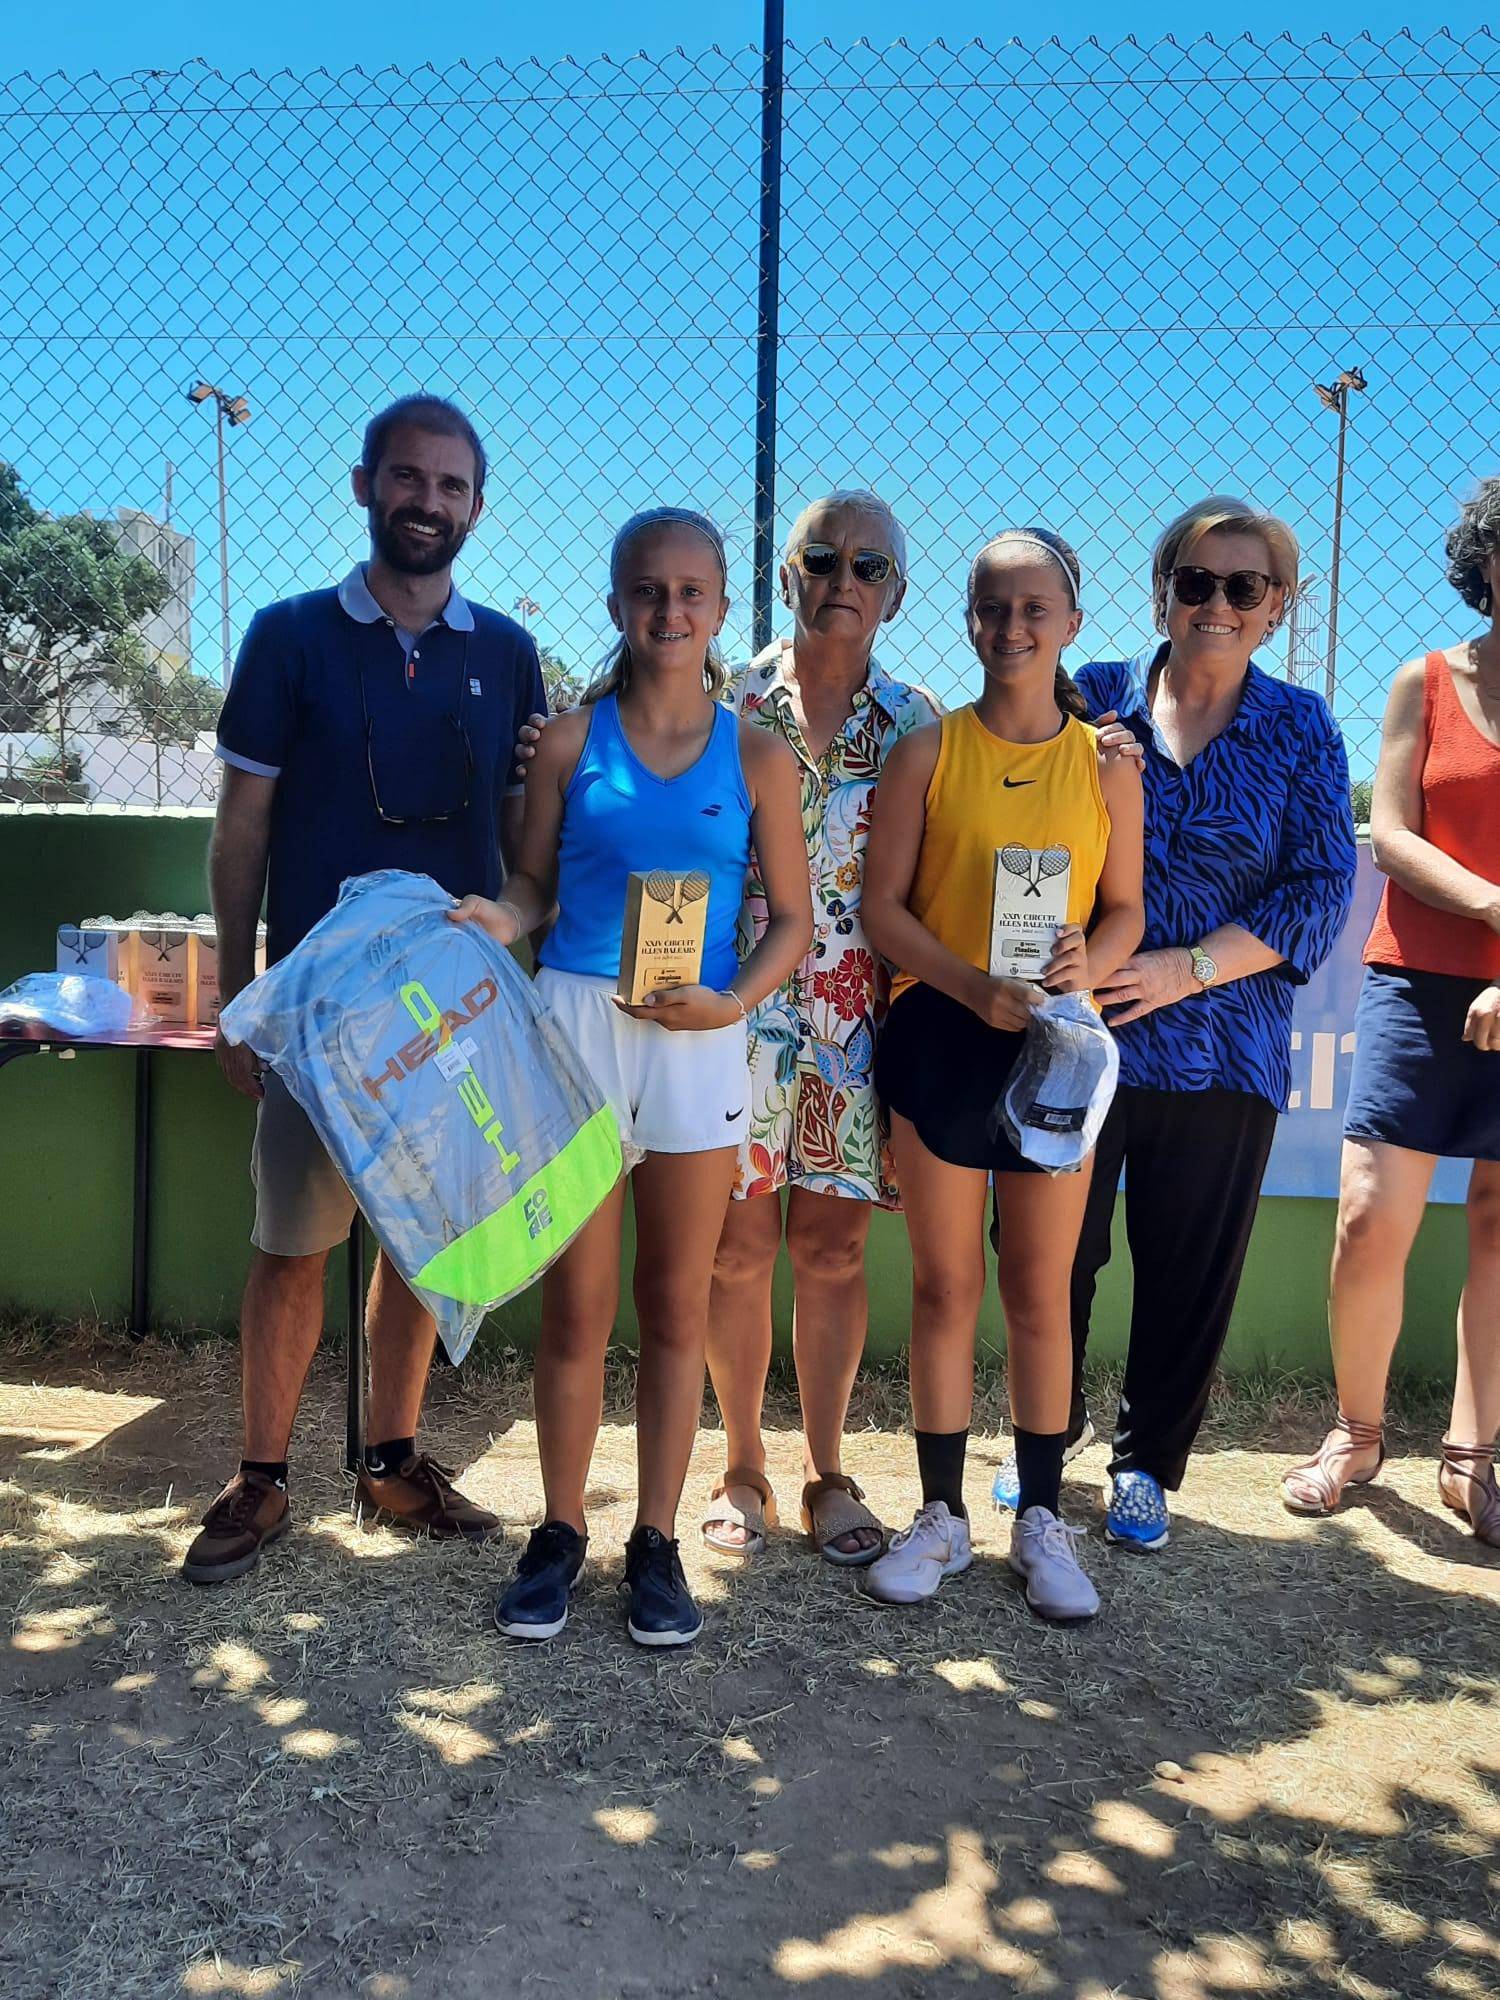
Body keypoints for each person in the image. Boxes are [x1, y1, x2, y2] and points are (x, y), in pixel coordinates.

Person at [184, 394, 548, 1585]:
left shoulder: (508, 655)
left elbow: (522, 842)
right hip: (317, 1017)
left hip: (454, 1016)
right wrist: (238, 991)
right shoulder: (288, 635)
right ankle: (261, 1476)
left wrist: (522, 927)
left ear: (477, 506)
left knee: (424, 1238)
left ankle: (392, 1460)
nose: (426, 502)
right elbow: (241, 828)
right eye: (407, 477)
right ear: (364, 485)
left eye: (451, 485)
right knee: (293, 1242)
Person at [454, 509, 811, 1647]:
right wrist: (501, 915)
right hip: (577, 1030)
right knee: (576, 1309)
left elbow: (793, 922)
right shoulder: (569, 743)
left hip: (697, 1037)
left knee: (675, 1305)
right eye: (648, 590)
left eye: (692, 591)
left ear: (722, 608)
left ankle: (654, 1540)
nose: (670, 609)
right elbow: (534, 886)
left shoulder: (757, 755)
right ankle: (560, 1529)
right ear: (616, 603)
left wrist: (731, 1003)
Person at [990, 497, 1356, 1554]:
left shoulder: (1302, 728)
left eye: (1245, 586)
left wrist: (1180, 970)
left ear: (1277, 606)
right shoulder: (1093, 694)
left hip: (1224, 1047)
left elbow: (1321, 890)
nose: (1217, 603)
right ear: (1162, 594)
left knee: (1187, 1269)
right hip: (1076, 1040)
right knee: (1049, 1257)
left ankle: (1146, 1464)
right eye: (1196, 581)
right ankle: (1042, 1440)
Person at [861, 529, 1143, 1620]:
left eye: (1035, 608)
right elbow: (885, 911)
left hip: (1055, 1048)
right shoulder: (928, 752)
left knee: (1040, 1288)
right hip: (943, 1032)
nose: (1013, 626)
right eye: (993, 607)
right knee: (945, 1287)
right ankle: (939, 1515)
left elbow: (1127, 913)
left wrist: (1089, 964)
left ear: (1071, 622)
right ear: (970, 620)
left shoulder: (1108, 764)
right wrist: (969, 984)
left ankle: (1041, 1519)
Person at [701, 491, 939, 1567]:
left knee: (835, 1249)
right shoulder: (729, 699)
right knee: (738, 1246)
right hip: (740, 1011)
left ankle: (826, 1471)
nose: (846, 579)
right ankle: (743, 1464)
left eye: (870, 565)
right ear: (787, 574)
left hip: (861, 1018)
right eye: (824, 558)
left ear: (897, 592)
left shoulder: (919, 723)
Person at [1283, 480, 1500, 1543]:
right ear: (1485, 561)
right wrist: (1495, 909)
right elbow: (1396, 833)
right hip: (1418, 976)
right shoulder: (1427, 679)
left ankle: (1473, 1459)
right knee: (1371, 1216)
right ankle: (1358, 1434)